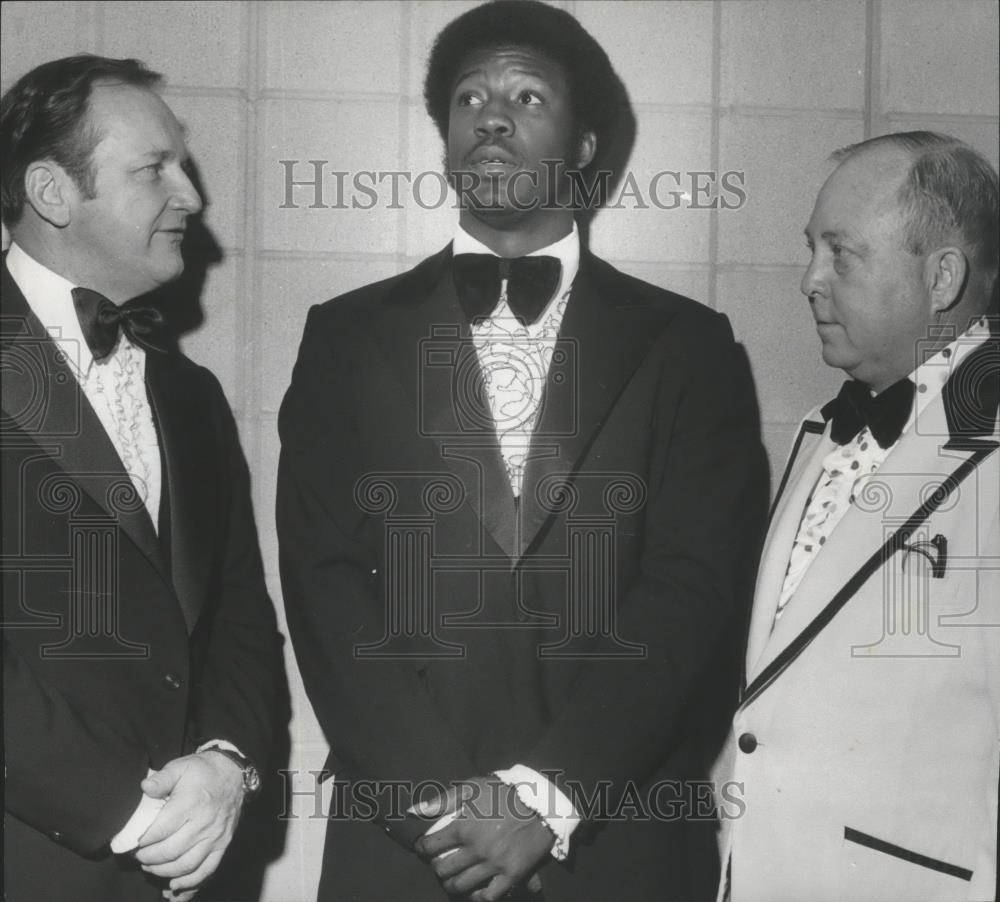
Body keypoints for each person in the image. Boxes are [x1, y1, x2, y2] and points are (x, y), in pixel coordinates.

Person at [278, 3, 766, 900]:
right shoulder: (343, 337)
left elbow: (694, 590)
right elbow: (324, 581)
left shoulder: (691, 345)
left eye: (527, 96)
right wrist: (443, 812)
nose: (491, 116)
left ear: (583, 148)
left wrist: (547, 797)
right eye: (469, 98)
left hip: (619, 843)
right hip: (406, 847)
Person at [1, 55, 278, 902]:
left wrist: (228, 763)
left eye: (182, 166)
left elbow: (237, 613)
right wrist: (132, 814)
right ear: (52, 193)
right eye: (154, 168)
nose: (191, 195)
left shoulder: (189, 394)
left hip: (192, 872)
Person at [715, 132, 999, 902]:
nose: (809, 279)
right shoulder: (820, 429)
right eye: (812, 251)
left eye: (842, 253)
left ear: (942, 277)